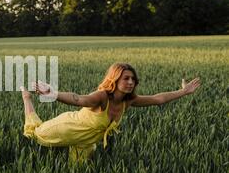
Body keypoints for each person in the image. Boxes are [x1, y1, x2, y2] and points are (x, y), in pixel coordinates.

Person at [20, 62, 201, 164]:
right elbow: (79, 99)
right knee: (35, 133)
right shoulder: (102, 97)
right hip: (67, 127)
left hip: (86, 141)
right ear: (115, 79)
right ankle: (27, 98)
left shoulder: (128, 101)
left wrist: (183, 92)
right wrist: (54, 94)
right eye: (126, 78)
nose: (130, 82)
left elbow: (157, 99)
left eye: (133, 79)